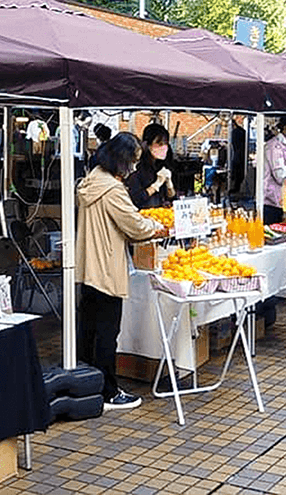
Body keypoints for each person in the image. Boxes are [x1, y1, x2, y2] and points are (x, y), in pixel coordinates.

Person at [75, 132, 166, 411]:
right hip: (107, 267)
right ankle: (108, 391)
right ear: (122, 160)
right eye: (133, 161)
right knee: (107, 332)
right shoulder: (112, 190)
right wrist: (156, 228)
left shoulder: (92, 180)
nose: (134, 167)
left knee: (88, 329)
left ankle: (86, 385)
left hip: (89, 266)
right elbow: (134, 225)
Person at [126, 123, 175, 209]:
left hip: (160, 214)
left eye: (166, 144)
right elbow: (136, 199)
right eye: (159, 144)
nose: (164, 148)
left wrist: (169, 185)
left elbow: (172, 199)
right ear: (148, 145)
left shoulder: (162, 165)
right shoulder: (136, 167)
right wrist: (156, 184)